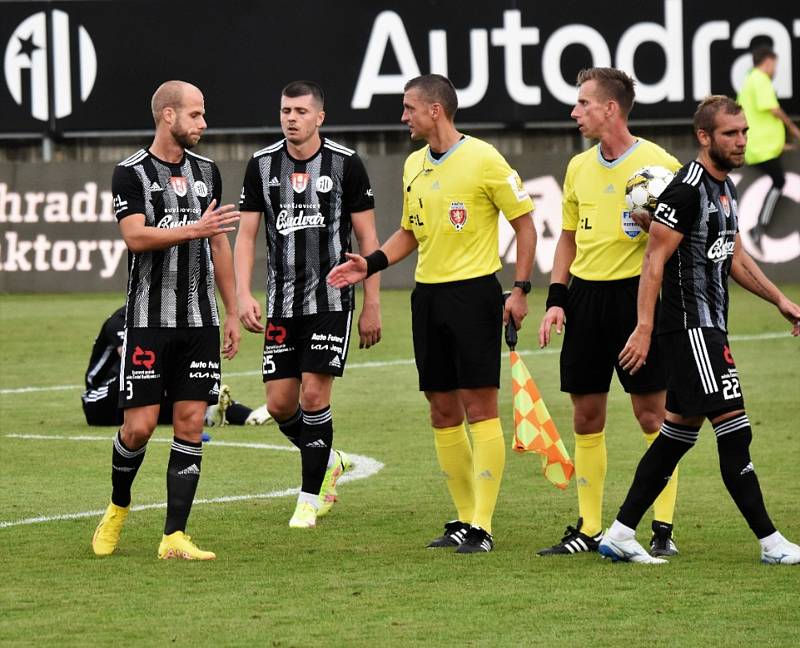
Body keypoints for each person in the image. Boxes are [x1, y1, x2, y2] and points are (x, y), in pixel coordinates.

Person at [328, 73, 536, 553]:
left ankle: (483, 524)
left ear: (435, 110)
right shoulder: (414, 165)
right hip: (428, 298)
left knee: (479, 407)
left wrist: (520, 289)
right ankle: (464, 518)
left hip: (475, 295)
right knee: (442, 411)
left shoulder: (485, 159)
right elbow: (410, 231)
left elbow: (525, 226)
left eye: (409, 108)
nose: (404, 117)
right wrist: (370, 262)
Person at [599, 95, 800, 565]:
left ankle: (620, 533)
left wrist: (780, 300)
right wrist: (644, 328)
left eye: (745, 132)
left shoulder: (725, 189)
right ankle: (771, 543)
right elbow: (652, 259)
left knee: (676, 437)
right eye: (731, 134)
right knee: (735, 430)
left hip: (710, 328)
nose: (741, 141)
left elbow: (732, 256)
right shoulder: (686, 189)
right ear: (704, 137)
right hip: (692, 329)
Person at [91, 80, 241, 561]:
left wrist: (234, 308)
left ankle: (174, 536)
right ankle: (117, 508)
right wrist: (193, 228)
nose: (203, 123)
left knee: (192, 422)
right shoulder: (130, 173)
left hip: (200, 321)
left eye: (203, 114)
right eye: (195, 115)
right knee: (136, 428)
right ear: (167, 116)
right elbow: (135, 238)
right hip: (149, 321)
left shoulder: (208, 173)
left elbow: (219, 243)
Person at [537, 68, 683, 558]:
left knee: (651, 414)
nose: (575, 112)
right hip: (585, 299)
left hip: (636, 298)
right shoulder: (578, 166)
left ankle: (661, 527)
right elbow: (567, 237)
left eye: (582, 103)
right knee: (585, 414)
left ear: (610, 109)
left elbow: (680, 237)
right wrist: (557, 298)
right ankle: (590, 527)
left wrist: (654, 225)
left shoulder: (659, 164)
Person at [234, 80, 381, 529]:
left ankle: (308, 498)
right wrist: (242, 293)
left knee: (314, 395)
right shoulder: (261, 165)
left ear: (320, 116)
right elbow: (245, 236)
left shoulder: (346, 164)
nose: (291, 118)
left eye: (300, 110)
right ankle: (329, 460)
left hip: (332, 299)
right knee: (280, 404)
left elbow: (369, 240)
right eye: (285, 110)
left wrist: (372, 303)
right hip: (282, 302)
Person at [82, 306, 271, 428]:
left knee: (188, 396)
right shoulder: (120, 319)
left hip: (136, 399)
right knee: (144, 375)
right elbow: (133, 359)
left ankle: (248, 416)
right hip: (101, 399)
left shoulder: (163, 321)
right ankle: (207, 410)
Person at [736, 46, 800, 252]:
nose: (775, 70)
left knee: (778, 180)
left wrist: (780, 143)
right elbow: (772, 109)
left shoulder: (749, 81)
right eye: (775, 65)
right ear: (768, 62)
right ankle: (758, 228)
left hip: (761, 146)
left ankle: (758, 228)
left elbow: (757, 118)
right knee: (779, 181)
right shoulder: (759, 79)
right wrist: (793, 129)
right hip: (761, 148)